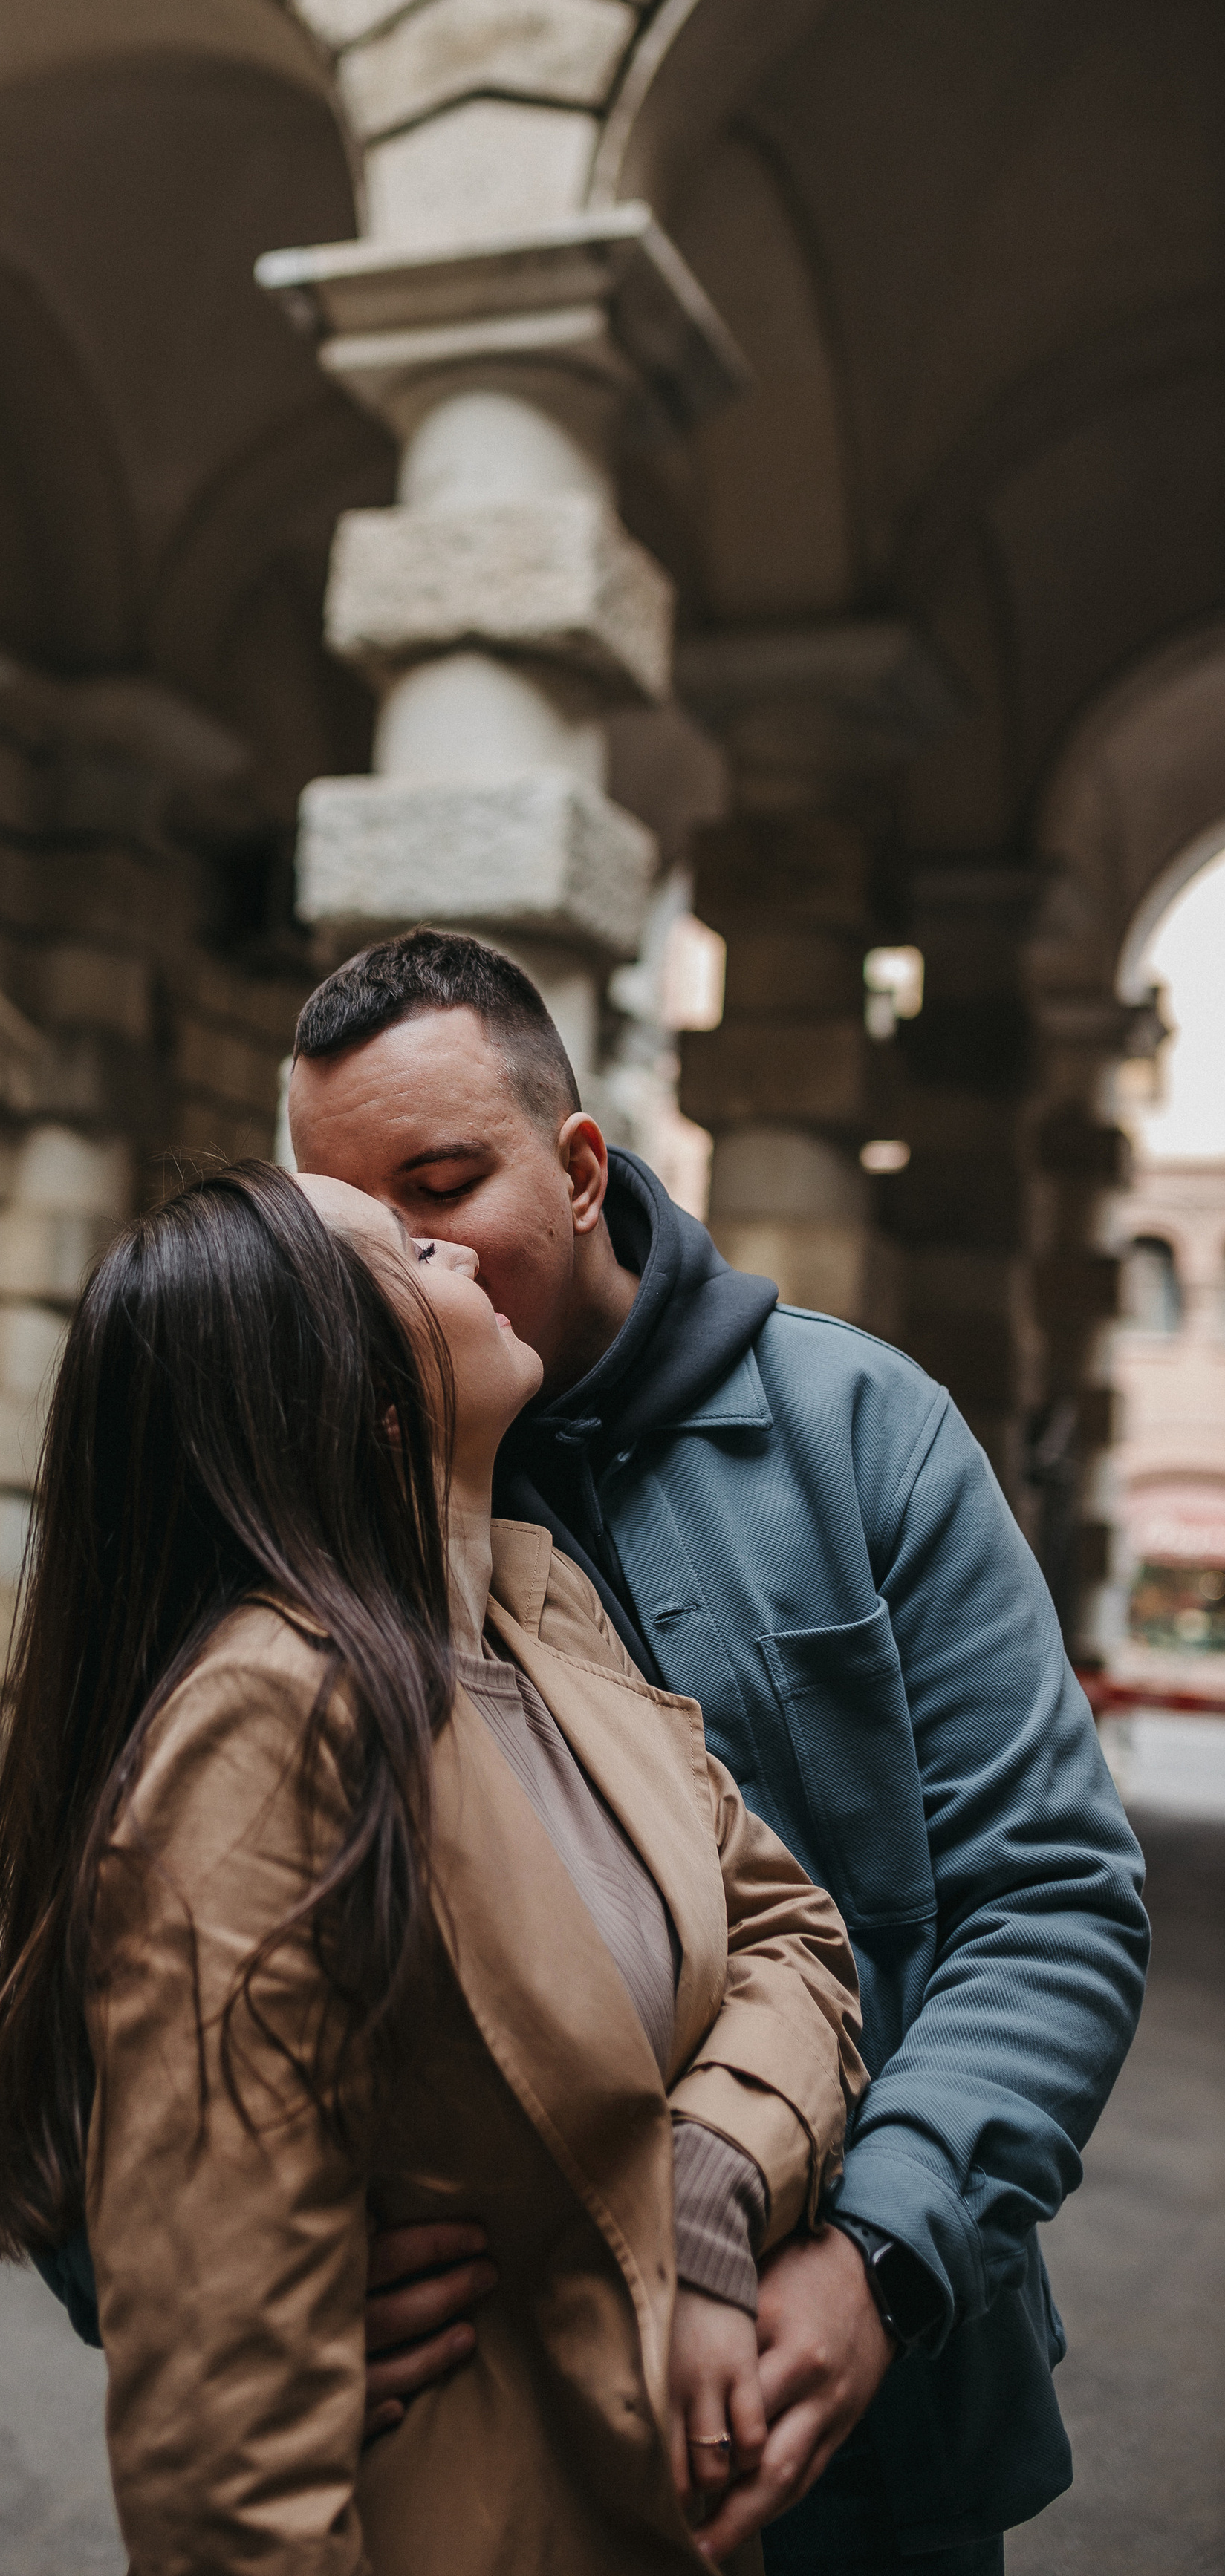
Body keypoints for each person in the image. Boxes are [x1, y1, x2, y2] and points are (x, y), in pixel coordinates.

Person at [282, 930, 1150, 2575]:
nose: (402, 1270)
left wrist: (883, 2252)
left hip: (865, 2424)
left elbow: (1044, 1902)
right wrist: (207, 2265)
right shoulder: (311, 1491)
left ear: (583, 1164)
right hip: (470, 2442)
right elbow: (133, 1956)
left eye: (445, 1187)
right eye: (345, 1230)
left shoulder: (860, 1429)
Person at [0, 1158, 867, 2572]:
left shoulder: (545, 1626)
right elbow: (226, 2447)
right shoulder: (271, 1720)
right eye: (406, 1256)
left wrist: (706, 2188)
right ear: (359, 1397)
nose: (459, 1256)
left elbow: (796, 1943)